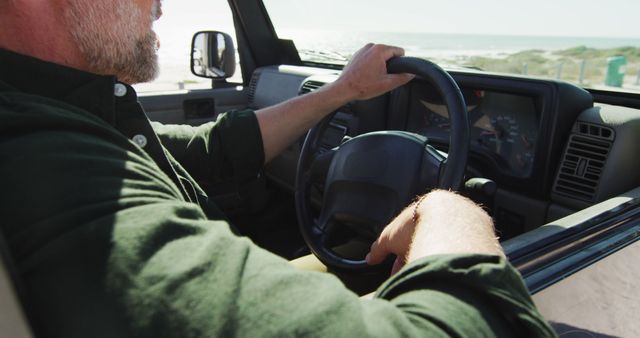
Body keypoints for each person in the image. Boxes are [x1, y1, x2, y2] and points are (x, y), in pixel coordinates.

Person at [0, 0, 556, 337]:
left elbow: (209, 149)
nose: (161, 5)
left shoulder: (74, 111)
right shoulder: (38, 153)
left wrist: (344, 91)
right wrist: (452, 214)